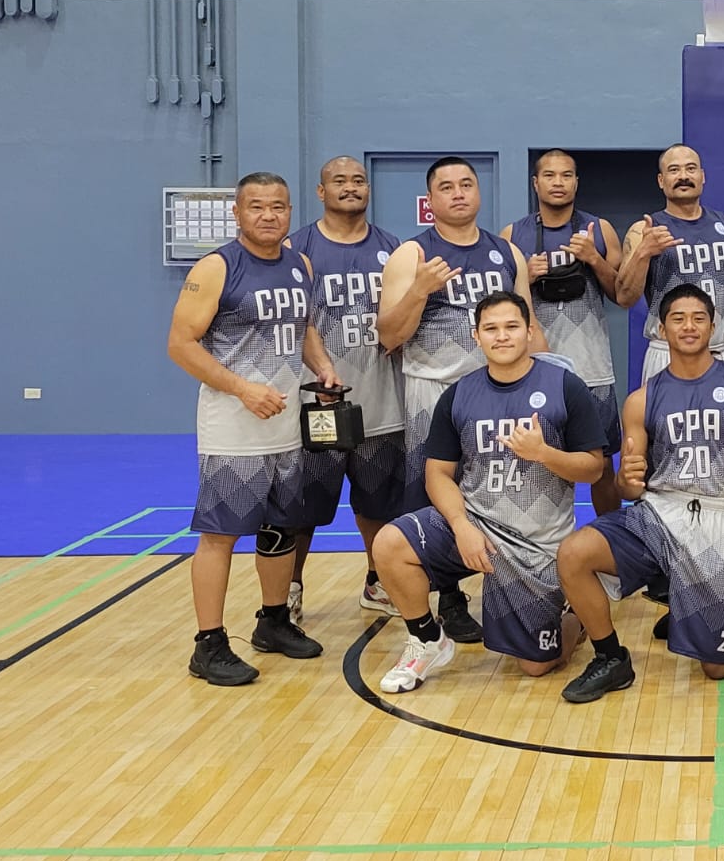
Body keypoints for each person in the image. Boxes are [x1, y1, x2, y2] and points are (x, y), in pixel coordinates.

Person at [371, 292, 607, 692]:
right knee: (390, 544)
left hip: (537, 540)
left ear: (530, 331)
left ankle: (575, 613)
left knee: (534, 666)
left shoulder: (565, 386)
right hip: (478, 525)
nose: (502, 337)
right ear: (475, 336)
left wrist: (544, 454)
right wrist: (461, 525)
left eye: (512, 327)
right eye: (491, 329)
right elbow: (437, 475)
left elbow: (594, 468)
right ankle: (427, 639)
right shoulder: (459, 395)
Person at [555, 285, 724, 702]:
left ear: (713, 327)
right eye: (678, 318)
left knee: (715, 668)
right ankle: (611, 656)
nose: (689, 326)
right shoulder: (642, 399)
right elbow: (626, 486)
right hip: (660, 512)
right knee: (573, 554)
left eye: (698, 318)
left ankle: (684, 596)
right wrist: (628, 481)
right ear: (662, 328)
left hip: (720, 514)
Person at [167, 172, 336, 685]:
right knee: (220, 536)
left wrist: (324, 367)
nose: (269, 215)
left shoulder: (300, 263)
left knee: (283, 526)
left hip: (285, 424)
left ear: (290, 212)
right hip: (233, 427)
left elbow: (303, 326)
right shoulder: (216, 267)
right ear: (238, 214)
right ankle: (209, 643)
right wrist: (243, 389)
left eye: (279, 207)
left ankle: (274, 621)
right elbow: (181, 344)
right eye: (257, 207)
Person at [377, 156, 541, 643]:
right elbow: (388, 335)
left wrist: (552, 380)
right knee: (437, 490)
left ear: (478, 192)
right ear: (431, 200)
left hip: (500, 393)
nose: (458, 193)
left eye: (466, 184)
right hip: (434, 391)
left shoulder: (505, 252)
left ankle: (514, 581)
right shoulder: (411, 254)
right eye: (446, 187)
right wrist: (420, 292)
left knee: (501, 488)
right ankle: (448, 598)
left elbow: (529, 325)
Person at [285, 156, 405, 624]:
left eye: (358, 180)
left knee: (378, 503)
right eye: (340, 181)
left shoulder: (393, 250)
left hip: (382, 400)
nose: (350, 188)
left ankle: (379, 583)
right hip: (316, 400)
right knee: (302, 509)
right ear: (321, 192)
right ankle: (289, 590)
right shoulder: (297, 250)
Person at [501, 149, 625, 515]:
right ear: (535, 183)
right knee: (539, 466)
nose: (558, 182)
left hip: (592, 367)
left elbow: (621, 293)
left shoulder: (598, 229)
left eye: (567, 175)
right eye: (550, 175)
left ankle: (612, 544)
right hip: (535, 369)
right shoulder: (512, 234)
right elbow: (499, 305)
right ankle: (546, 549)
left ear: (576, 182)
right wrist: (525, 274)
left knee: (601, 465)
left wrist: (594, 259)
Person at [614, 144, 724, 382]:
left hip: (721, 352)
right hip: (668, 355)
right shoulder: (644, 230)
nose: (683, 176)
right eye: (674, 170)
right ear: (661, 180)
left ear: (702, 177)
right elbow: (624, 298)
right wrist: (643, 253)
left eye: (690, 169)